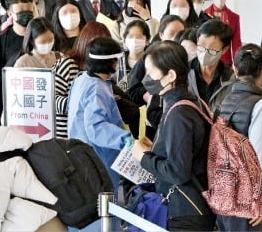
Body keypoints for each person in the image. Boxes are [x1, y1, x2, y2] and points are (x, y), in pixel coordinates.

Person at [132, 40, 215, 231]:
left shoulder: (179, 113)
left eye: (151, 72)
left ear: (170, 75)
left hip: (185, 212)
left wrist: (143, 157)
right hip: (195, 205)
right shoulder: (193, 102)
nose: (146, 78)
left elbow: (178, 171)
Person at [215, 44, 262, 231]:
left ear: (235, 68)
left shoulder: (222, 97)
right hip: (245, 195)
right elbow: (258, 157)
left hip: (222, 188)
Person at [68, 35, 131, 196]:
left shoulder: (82, 79)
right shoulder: (97, 88)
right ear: (111, 62)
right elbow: (96, 128)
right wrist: (124, 139)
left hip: (81, 155)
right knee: (105, 209)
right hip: (98, 159)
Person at [0, 0, 34, 126]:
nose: (26, 14)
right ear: (10, 13)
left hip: (37, 101)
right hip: (11, 102)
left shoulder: (39, 36)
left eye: (29, 10)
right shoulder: (0, 40)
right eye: (20, 11)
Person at [126, 15, 185, 107]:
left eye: (180, 34)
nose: (176, 38)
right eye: (171, 34)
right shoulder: (150, 57)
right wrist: (150, 97)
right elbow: (134, 90)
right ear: (161, 35)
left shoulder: (188, 57)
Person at [188, 19, 235, 107]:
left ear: (224, 49)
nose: (205, 53)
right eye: (201, 46)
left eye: (212, 49)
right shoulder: (184, 72)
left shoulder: (230, 78)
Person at [204, 0, 241, 65]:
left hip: (225, 61)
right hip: (207, 59)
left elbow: (236, 43)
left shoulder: (234, 17)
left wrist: (237, 63)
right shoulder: (203, 15)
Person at [119, 20, 150, 90]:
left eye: (139, 37)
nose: (134, 40)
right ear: (125, 40)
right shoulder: (118, 61)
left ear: (147, 41)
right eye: (130, 36)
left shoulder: (152, 62)